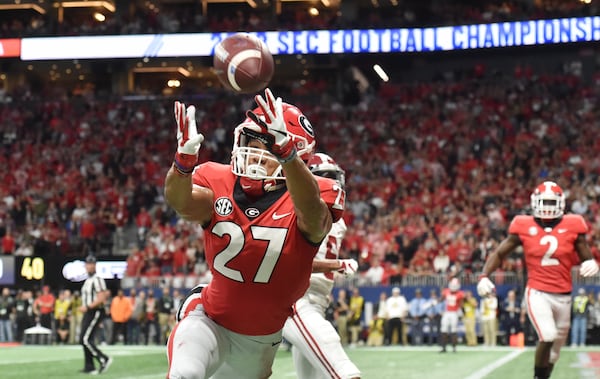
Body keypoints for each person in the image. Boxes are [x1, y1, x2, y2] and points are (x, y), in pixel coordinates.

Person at [165, 88, 344, 379]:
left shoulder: (312, 197)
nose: (256, 155)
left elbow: (312, 216)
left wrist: (287, 156)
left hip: (259, 340)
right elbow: (181, 202)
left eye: (268, 147)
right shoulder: (219, 179)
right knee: (185, 373)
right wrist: (183, 164)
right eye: (253, 142)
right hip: (212, 318)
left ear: (295, 152)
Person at [477, 181, 599, 379]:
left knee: (555, 353)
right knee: (547, 335)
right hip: (537, 292)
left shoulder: (573, 224)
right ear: (535, 202)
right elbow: (500, 253)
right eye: (545, 202)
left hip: (564, 296)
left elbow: (586, 257)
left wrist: (592, 263)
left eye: (552, 202)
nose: (548, 207)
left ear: (560, 203)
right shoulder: (523, 225)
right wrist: (484, 276)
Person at [281, 152, 361, 379]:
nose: (334, 183)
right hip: (295, 295)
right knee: (336, 359)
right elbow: (293, 260)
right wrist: (336, 265)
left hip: (316, 299)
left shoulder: (337, 219)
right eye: (325, 177)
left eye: (334, 177)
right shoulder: (296, 211)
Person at [79, 255, 112, 374]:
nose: (89, 266)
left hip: (95, 311)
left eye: (92, 264)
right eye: (88, 264)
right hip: (88, 311)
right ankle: (89, 366)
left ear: (95, 265)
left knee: (85, 339)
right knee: (85, 338)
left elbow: (101, 298)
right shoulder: (88, 280)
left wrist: (87, 307)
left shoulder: (98, 279)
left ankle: (103, 359)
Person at [439, 277, 464, 353]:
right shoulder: (446, 291)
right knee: (443, 329)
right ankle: (444, 347)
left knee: (454, 330)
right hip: (447, 312)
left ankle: (454, 347)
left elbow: (461, 305)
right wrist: (435, 302)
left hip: (454, 313)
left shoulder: (460, 293)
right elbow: (441, 299)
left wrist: (460, 312)